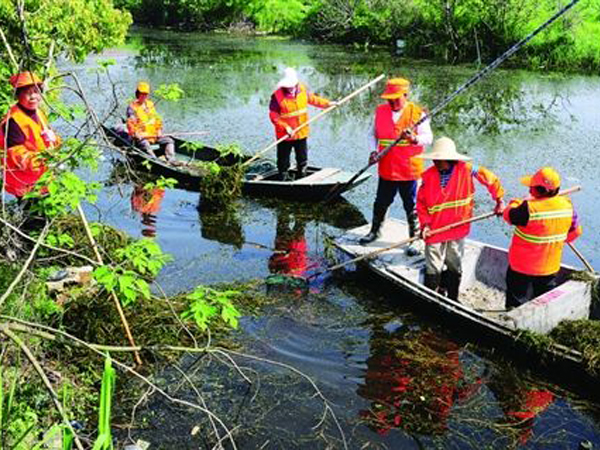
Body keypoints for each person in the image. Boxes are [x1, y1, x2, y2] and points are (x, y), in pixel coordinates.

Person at [416, 137, 505, 300]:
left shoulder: (467, 169)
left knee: (454, 263)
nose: (435, 162)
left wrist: (499, 200)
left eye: (439, 159)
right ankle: (430, 297)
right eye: (434, 158)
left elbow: (490, 179)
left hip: (457, 227)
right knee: (433, 267)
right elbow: (421, 204)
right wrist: (425, 225)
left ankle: (452, 297)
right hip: (434, 229)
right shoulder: (428, 176)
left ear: (449, 158)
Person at [359, 78, 433, 257]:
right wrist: (373, 151)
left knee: (413, 206)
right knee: (381, 202)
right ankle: (375, 231)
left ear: (405, 95)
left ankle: (415, 239)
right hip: (387, 168)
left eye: (395, 98)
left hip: (409, 170)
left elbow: (428, 138)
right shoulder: (380, 111)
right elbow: (372, 135)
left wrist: (413, 138)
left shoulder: (418, 114)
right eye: (389, 99)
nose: (391, 102)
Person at [503, 167, 582, 309]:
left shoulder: (528, 208)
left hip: (522, 267)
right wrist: (555, 238)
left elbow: (508, 215)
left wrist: (515, 202)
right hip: (549, 268)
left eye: (531, 188)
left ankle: (511, 322)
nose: (529, 191)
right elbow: (575, 233)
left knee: (516, 299)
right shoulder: (568, 206)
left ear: (540, 191)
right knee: (544, 301)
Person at [0, 71, 61, 198]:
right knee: (33, 216)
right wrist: (46, 162)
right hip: (25, 182)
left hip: (43, 178)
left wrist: (55, 139)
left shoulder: (38, 112)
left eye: (36, 92)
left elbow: (50, 142)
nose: (33, 96)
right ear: (18, 96)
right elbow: (17, 155)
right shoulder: (12, 121)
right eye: (28, 93)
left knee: (48, 214)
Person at [269, 68, 335, 181]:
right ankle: (283, 178)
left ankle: (302, 178)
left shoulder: (302, 89)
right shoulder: (277, 96)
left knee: (302, 158)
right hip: (285, 135)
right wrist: (286, 127)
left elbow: (313, 99)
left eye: (292, 86)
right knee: (283, 160)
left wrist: (328, 103)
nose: (290, 88)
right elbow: (273, 116)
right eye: (287, 86)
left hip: (301, 132)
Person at [126, 81, 175, 161]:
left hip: (153, 135)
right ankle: (155, 160)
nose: (144, 96)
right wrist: (136, 133)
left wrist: (159, 130)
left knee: (169, 141)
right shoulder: (132, 107)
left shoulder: (150, 105)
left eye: (146, 94)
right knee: (145, 144)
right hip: (141, 137)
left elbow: (157, 119)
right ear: (138, 94)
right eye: (142, 94)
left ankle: (171, 160)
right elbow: (130, 124)